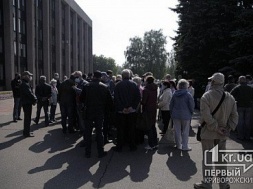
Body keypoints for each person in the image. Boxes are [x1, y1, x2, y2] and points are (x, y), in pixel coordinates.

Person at [194, 72, 238, 189]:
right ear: (222, 83)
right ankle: (223, 184)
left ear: (213, 82)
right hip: (223, 133)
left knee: (208, 159)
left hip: (209, 132)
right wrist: (229, 128)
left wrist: (215, 127)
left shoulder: (206, 96)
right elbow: (235, 116)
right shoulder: (230, 97)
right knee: (221, 160)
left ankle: (207, 183)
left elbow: (206, 116)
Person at [79, 71, 113, 158]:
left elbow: (81, 99)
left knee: (88, 132)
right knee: (99, 131)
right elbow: (110, 102)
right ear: (100, 77)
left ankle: (88, 152)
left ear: (93, 76)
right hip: (100, 112)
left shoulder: (87, 86)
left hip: (88, 111)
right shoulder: (105, 87)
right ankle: (100, 152)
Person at [113, 69, 141, 152]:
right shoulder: (134, 84)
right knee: (131, 129)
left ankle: (119, 146)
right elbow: (138, 97)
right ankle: (132, 146)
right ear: (129, 76)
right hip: (132, 111)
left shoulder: (118, 85)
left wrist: (122, 108)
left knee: (120, 129)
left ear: (122, 76)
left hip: (121, 111)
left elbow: (116, 98)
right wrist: (132, 107)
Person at [169, 79, 195, 151]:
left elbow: (171, 105)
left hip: (176, 115)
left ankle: (178, 145)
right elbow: (191, 105)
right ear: (186, 86)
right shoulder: (188, 95)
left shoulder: (174, 94)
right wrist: (191, 112)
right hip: (186, 115)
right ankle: (185, 146)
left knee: (177, 131)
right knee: (185, 131)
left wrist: (171, 113)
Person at [230, 76, 253, 141]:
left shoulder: (237, 88)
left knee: (240, 121)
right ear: (245, 81)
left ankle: (241, 136)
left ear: (239, 81)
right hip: (249, 106)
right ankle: (247, 136)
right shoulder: (250, 88)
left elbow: (230, 95)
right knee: (248, 121)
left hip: (239, 106)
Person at [142, 76, 158, 150]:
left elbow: (144, 101)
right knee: (153, 126)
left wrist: (140, 101)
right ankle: (155, 143)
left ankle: (151, 144)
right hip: (153, 108)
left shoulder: (146, 89)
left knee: (148, 127)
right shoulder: (155, 88)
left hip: (148, 109)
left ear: (147, 81)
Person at [20, 71, 37, 137]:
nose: (30, 77)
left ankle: (26, 132)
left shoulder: (25, 83)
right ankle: (26, 133)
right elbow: (29, 93)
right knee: (27, 118)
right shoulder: (25, 84)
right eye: (29, 76)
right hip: (27, 103)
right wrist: (35, 99)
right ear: (26, 76)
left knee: (27, 118)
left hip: (26, 102)